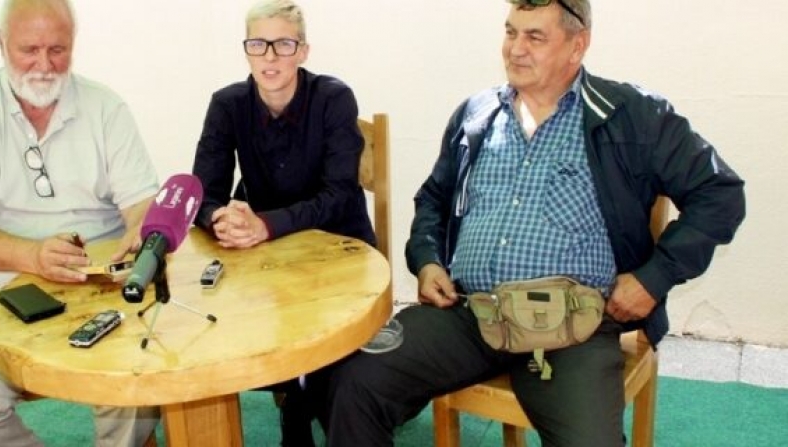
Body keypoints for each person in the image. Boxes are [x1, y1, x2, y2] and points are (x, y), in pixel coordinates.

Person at [311, 1, 746, 446]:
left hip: (575, 329)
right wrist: (427, 260)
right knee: (353, 381)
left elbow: (720, 194)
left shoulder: (632, 115)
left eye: (535, 36)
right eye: (511, 32)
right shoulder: (476, 114)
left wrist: (653, 278)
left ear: (577, 45)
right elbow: (434, 198)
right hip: (469, 312)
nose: (515, 49)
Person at [0, 0, 160, 445]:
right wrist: (33, 255)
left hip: (99, 293)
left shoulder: (106, 107)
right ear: (1, 43)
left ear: (74, 44)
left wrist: (139, 231)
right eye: (29, 50)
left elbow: (143, 204)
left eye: (58, 50)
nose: (45, 65)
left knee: (135, 381)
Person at [190, 1, 375, 445]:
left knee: (325, 338)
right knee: (217, 314)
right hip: (266, 257)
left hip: (338, 247)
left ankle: (301, 402)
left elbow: (338, 196)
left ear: (303, 51)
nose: (270, 57)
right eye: (258, 44)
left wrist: (265, 225)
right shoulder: (227, 104)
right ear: (246, 50)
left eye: (283, 44)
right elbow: (200, 194)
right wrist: (220, 217)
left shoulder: (333, 98)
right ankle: (298, 398)